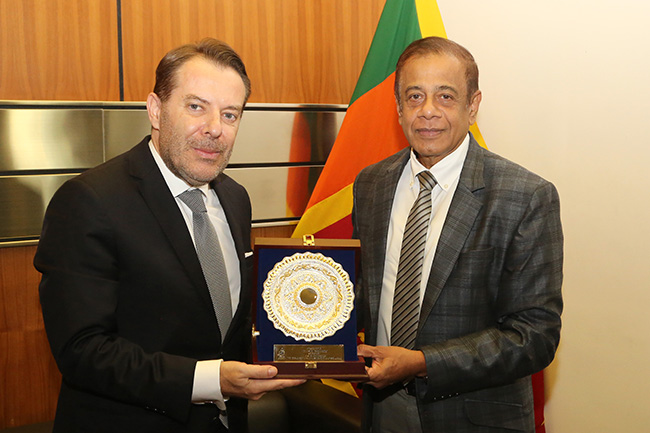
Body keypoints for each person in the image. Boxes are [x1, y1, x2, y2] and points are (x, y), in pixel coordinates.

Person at [35, 38, 303, 433]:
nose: (215, 129)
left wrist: (311, 345)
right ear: (156, 110)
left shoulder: (235, 198)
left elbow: (223, 328)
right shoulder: (89, 201)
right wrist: (212, 380)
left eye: (230, 114)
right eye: (197, 107)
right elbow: (83, 350)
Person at [353, 37, 563, 432]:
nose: (427, 111)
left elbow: (535, 337)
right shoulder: (371, 184)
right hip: (384, 409)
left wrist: (421, 363)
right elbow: (360, 288)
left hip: (475, 415)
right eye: (414, 96)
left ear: (473, 105)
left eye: (445, 97)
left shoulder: (526, 197)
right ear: (398, 107)